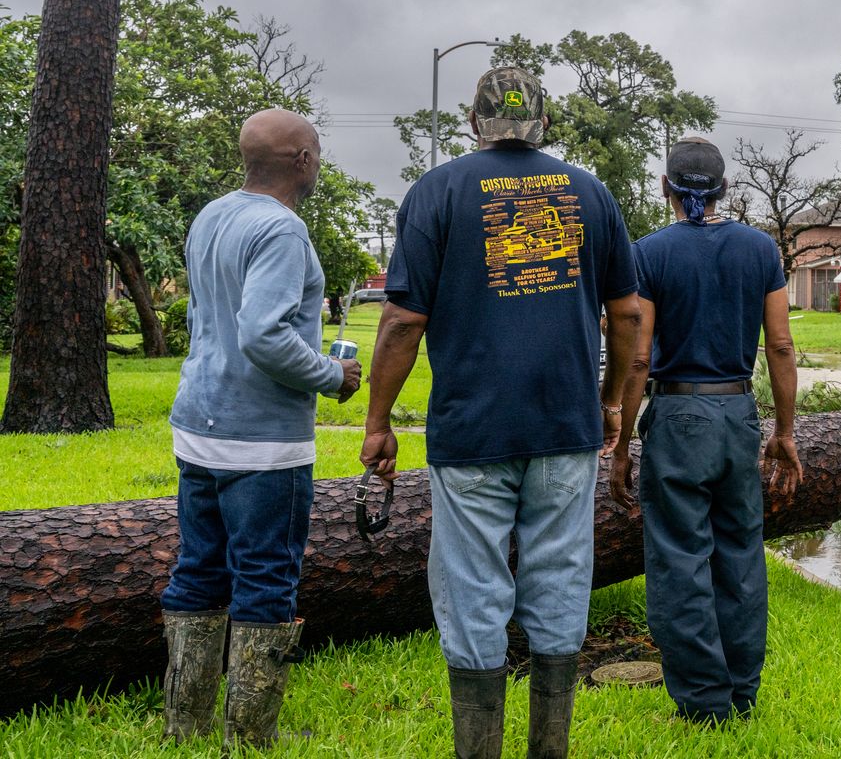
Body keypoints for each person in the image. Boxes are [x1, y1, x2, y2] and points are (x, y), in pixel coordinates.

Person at [360, 67, 641, 759]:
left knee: (472, 588)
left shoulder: (436, 192)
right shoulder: (590, 192)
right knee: (560, 582)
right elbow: (627, 312)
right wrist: (610, 404)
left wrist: (377, 420)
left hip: (471, 429)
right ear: (544, 122)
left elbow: (401, 322)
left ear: (472, 122)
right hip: (564, 426)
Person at [161, 108, 363, 749]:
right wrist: (333, 376)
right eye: (318, 150)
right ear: (302, 160)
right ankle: (248, 738)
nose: (320, 160)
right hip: (262, 443)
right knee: (266, 579)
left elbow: (209, 320)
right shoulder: (282, 231)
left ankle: (184, 728)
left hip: (198, 423)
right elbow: (264, 335)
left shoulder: (212, 215)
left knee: (198, 571)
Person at [608, 135, 802, 724]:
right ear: (723, 190)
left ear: (665, 188)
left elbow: (639, 358)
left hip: (679, 415)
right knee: (740, 555)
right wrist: (785, 433)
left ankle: (703, 704)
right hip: (739, 414)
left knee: (678, 558)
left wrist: (621, 440)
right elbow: (782, 346)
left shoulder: (650, 253)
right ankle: (742, 691)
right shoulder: (760, 249)